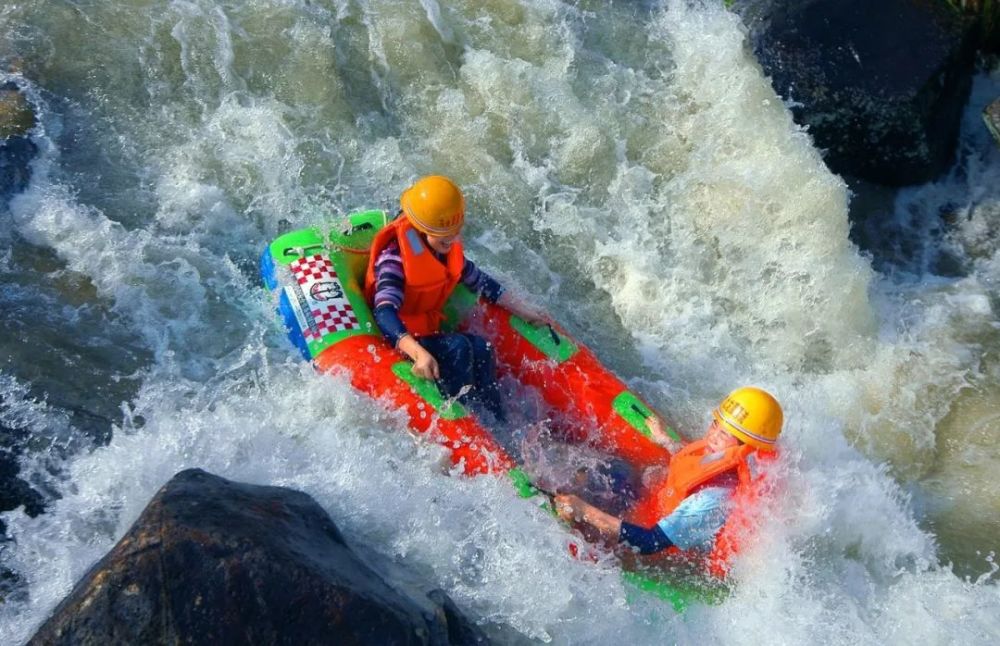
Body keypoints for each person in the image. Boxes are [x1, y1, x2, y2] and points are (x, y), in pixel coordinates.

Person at [364, 175, 545, 424]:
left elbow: (479, 280)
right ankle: (465, 419)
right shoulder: (394, 260)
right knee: (459, 347)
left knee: (483, 348)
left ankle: (497, 420)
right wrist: (417, 353)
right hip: (402, 338)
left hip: (428, 332)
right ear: (422, 230)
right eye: (444, 236)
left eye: (455, 233)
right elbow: (383, 311)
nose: (452, 240)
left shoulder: (443, 248)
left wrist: (524, 310)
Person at [554, 387, 782, 556]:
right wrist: (665, 440)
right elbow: (695, 465)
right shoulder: (724, 456)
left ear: (746, 449)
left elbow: (650, 542)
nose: (712, 436)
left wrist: (584, 511)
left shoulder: (713, 501)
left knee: (591, 511)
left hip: (661, 548)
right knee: (611, 469)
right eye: (715, 425)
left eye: (724, 434)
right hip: (656, 508)